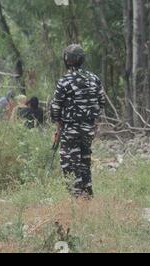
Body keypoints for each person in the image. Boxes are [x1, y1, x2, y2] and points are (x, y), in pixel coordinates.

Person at [50, 44, 106, 199]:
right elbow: (102, 101)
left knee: (69, 164)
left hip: (70, 130)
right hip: (88, 129)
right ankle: (87, 196)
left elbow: (56, 105)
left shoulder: (65, 80)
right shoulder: (94, 78)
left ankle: (76, 200)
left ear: (67, 60)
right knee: (84, 161)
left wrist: (58, 122)